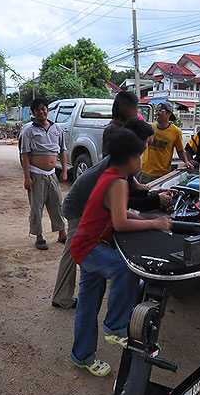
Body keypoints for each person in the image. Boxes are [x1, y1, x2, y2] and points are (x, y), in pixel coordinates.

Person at [69, 128, 171, 377]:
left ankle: (81, 355)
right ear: (128, 158)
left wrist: (144, 217)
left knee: (88, 303)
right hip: (90, 246)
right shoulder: (117, 182)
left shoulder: (113, 176)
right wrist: (154, 223)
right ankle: (115, 326)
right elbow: (120, 224)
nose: (140, 162)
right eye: (139, 157)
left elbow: (122, 213)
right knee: (125, 268)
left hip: (87, 243)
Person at [51, 119, 172, 309]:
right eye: (144, 147)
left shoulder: (121, 166)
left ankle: (87, 300)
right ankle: (62, 297)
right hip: (78, 208)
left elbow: (135, 190)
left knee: (84, 261)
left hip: (89, 210)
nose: (146, 149)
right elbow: (123, 209)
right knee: (75, 253)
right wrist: (154, 213)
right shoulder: (115, 173)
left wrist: (152, 194)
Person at [20, 98, 67, 250]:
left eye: (44, 109)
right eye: (38, 110)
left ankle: (62, 234)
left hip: (52, 175)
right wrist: (27, 178)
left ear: (48, 110)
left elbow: (62, 151)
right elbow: (25, 155)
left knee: (57, 204)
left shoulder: (57, 129)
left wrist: (65, 170)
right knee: (37, 207)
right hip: (36, 175)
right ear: (33, 113)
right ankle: (39, 236)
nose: (42, 112)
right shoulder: (29, 131)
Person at [139, 101, 192, 183]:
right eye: (157, 111)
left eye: (161, 111)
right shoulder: (150, 128)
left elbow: (180, 151)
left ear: (169, 113)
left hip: (162, 175)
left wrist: (186, 162)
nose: (157, 113)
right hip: (145, 173)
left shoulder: (176, 131)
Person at [102, 90, 140, 158]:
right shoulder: (113, 130)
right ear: (127, 108)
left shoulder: (130, 126)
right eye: (136, 107)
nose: (137, 111)